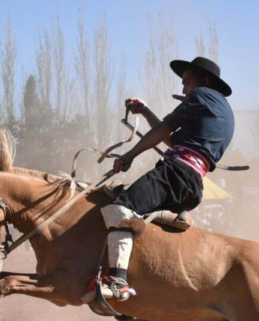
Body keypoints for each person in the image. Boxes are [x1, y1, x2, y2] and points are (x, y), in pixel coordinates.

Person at [86, 56, 235, 302]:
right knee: (129, 206)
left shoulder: (202, 96)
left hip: (175, 174)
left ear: (204, 81)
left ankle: (118, 284)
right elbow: (171, 138)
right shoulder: (219, 108)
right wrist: (145, 111)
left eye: (187, 81)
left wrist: (129, 155)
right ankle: (171, 217)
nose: (183, 87)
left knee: (119, 208)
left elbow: (163, 130)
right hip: (191, 183)